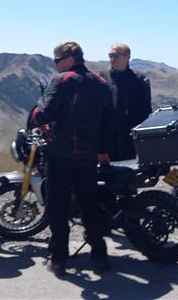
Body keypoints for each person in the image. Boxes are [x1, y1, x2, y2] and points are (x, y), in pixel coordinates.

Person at [30, 41, 114, 277]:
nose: (55, 65)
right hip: (88, 156)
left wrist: (38, 114)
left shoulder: (64, 80)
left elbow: (42, 113)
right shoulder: (101, 83)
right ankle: (99, 255)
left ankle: (59, 258)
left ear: (68, 59)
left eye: (56, 61)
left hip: (61, 154)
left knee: (58, 207)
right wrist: (103, 149)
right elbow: (109, 121)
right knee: (89, 205)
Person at [101, 42, 152, 161]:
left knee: (127, 171)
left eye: (116, 55)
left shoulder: (139, 80)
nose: (112, 59)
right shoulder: (103, 77)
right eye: (110, 55)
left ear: (127, 56)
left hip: (129, 136)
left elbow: (145, 109)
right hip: (107, 135)